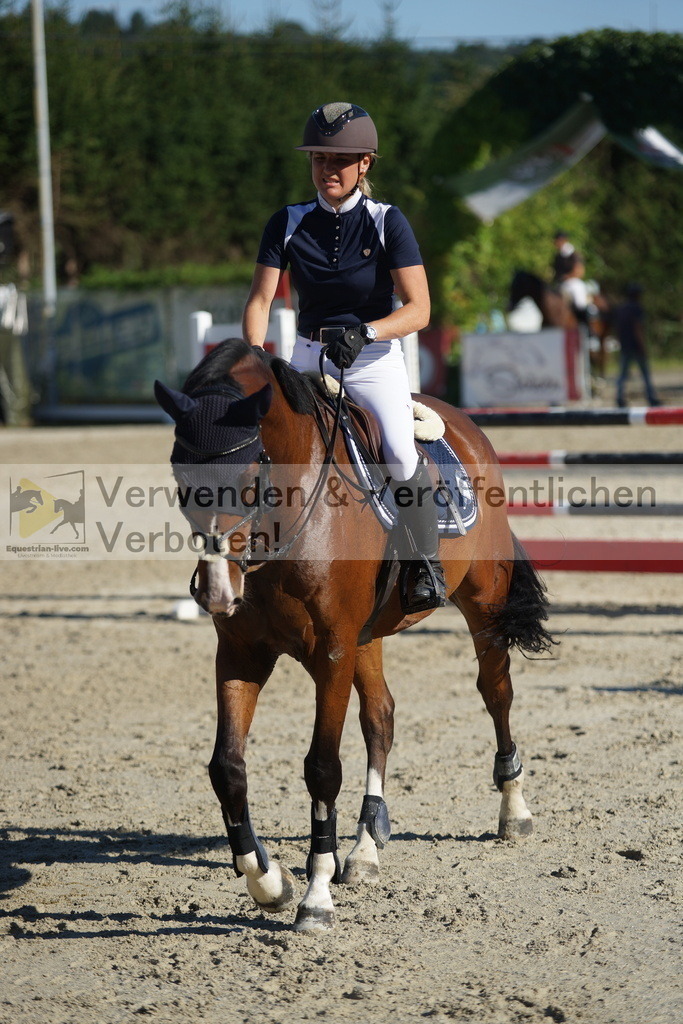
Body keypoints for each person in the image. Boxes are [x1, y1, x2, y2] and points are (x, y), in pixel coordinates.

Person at [242, 101, 445, 612]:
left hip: (372, 361)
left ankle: (424, 564)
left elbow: (419, 308)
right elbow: (261, 300)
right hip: (308, 358)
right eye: (318, 160)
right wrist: (251, 358)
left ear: (365, 164)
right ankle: (243, 555)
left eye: (339, 160)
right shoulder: (286, 221)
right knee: (260, 448)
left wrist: (369, 332)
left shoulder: (386, 222)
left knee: (398, 452)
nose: (327, 170)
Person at [614, 283, 661, 408]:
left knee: (622, 374)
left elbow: (618, 328)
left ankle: (619, 397)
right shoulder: (637, 308)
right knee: (645, 373)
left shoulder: (622, 308)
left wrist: (621, 342)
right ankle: (651, 397)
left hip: (625, 345)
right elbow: (638, 328)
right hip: (636, 345)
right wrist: (642, 345)